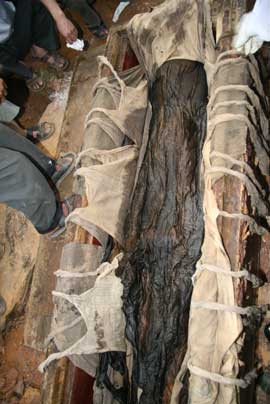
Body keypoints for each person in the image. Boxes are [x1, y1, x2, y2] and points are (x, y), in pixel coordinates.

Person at [0, 0, 78, 92]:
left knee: (32, 3)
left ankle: (39, 50)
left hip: (13, 15)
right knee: (4, 59)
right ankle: (24, 69)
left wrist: (60, 17)